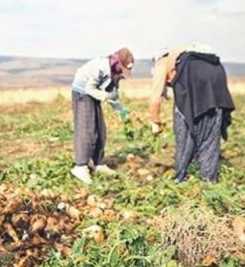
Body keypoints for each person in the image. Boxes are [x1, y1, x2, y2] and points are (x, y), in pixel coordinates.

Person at [149, 46, 235, 183]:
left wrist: (155, 121)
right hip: (217, 76)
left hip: (192, 79)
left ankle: (180, 177)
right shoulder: (188, 55)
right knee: (210, 135)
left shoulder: (162, 62)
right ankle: (209, 180)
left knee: (184, 132)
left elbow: (155, 96)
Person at [70, 48, 134, 184]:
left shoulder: (116, 72)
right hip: (83, 93)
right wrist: (105, 96)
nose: (123, 73)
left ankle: (99, 163)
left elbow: (113, 94)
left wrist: (120, 110)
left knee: (100, 129)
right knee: (87, 130)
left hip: (94, 94)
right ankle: (80, 166)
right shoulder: (100, 67)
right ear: (118, 63)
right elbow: (89, 89)